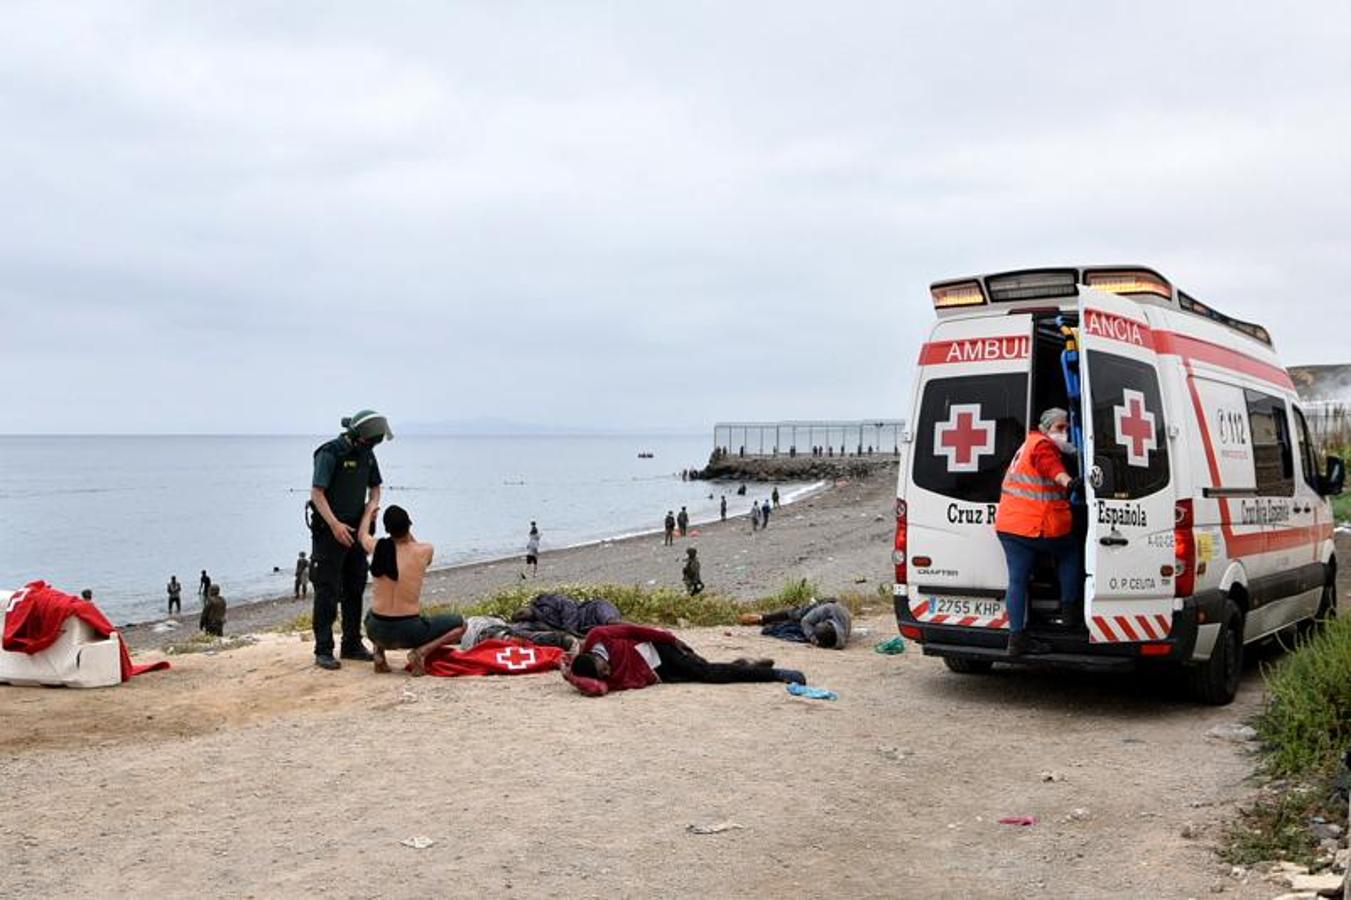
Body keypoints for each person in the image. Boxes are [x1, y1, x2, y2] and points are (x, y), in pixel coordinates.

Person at [995, 407, 1083, 656]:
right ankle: (1069, 613)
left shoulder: (1027, 444)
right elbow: (1050, 467)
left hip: (1009, 526)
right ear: (1046, 428)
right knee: (1070, 550)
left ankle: (1017, 638)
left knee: (1017, 580)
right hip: (1033, 526)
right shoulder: (1043, 446)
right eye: (1060, 428)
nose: (1064, 432)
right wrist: (1070, 481)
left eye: (1066, 427)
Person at [308, 409, 391, 670]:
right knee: (327, 590)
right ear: (358, 436)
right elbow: (317, 493)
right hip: (330, 532)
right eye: (371, 441)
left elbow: (375, 487)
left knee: (355, 586)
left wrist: (371, 508)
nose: (372, 446)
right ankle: (323, 649)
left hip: (357, 530)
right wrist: (334, 525)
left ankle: (352, 644)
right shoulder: (330, 453)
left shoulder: (367, 454)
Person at [358, 503, 463, 676]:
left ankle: (379, 654)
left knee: (372, 612)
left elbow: (362, 535)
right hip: (409, 631)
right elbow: (415, 547)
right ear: (409, 526)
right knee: (460, 624)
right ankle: (421, 652)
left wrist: (369, 511)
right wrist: (406, 530)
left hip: (376, 630)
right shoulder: (424, 550)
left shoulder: (377, 547)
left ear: (387, 530)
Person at [565, 624, 805, 695]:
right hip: (660, 675)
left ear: (594, 655)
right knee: (706, 671)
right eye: (603, 675)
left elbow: (633, 630)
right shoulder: (596, 677)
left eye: (604, 668)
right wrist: (570, 677)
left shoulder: (599, 635)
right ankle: (742, 666)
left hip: (658, 651)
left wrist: (669, 638)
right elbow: (595, 688)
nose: (608, 673)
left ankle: (777, 674)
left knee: (709, 674)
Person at [741, 599, 853, 649]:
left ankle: (764, 619)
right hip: (827, 603)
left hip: (836, 613)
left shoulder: (839, 639)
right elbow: (805, 620)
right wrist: (811, 636)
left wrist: (814, 639)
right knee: (797, 614)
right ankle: (763, 618)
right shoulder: (827, 609)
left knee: (793, 626)